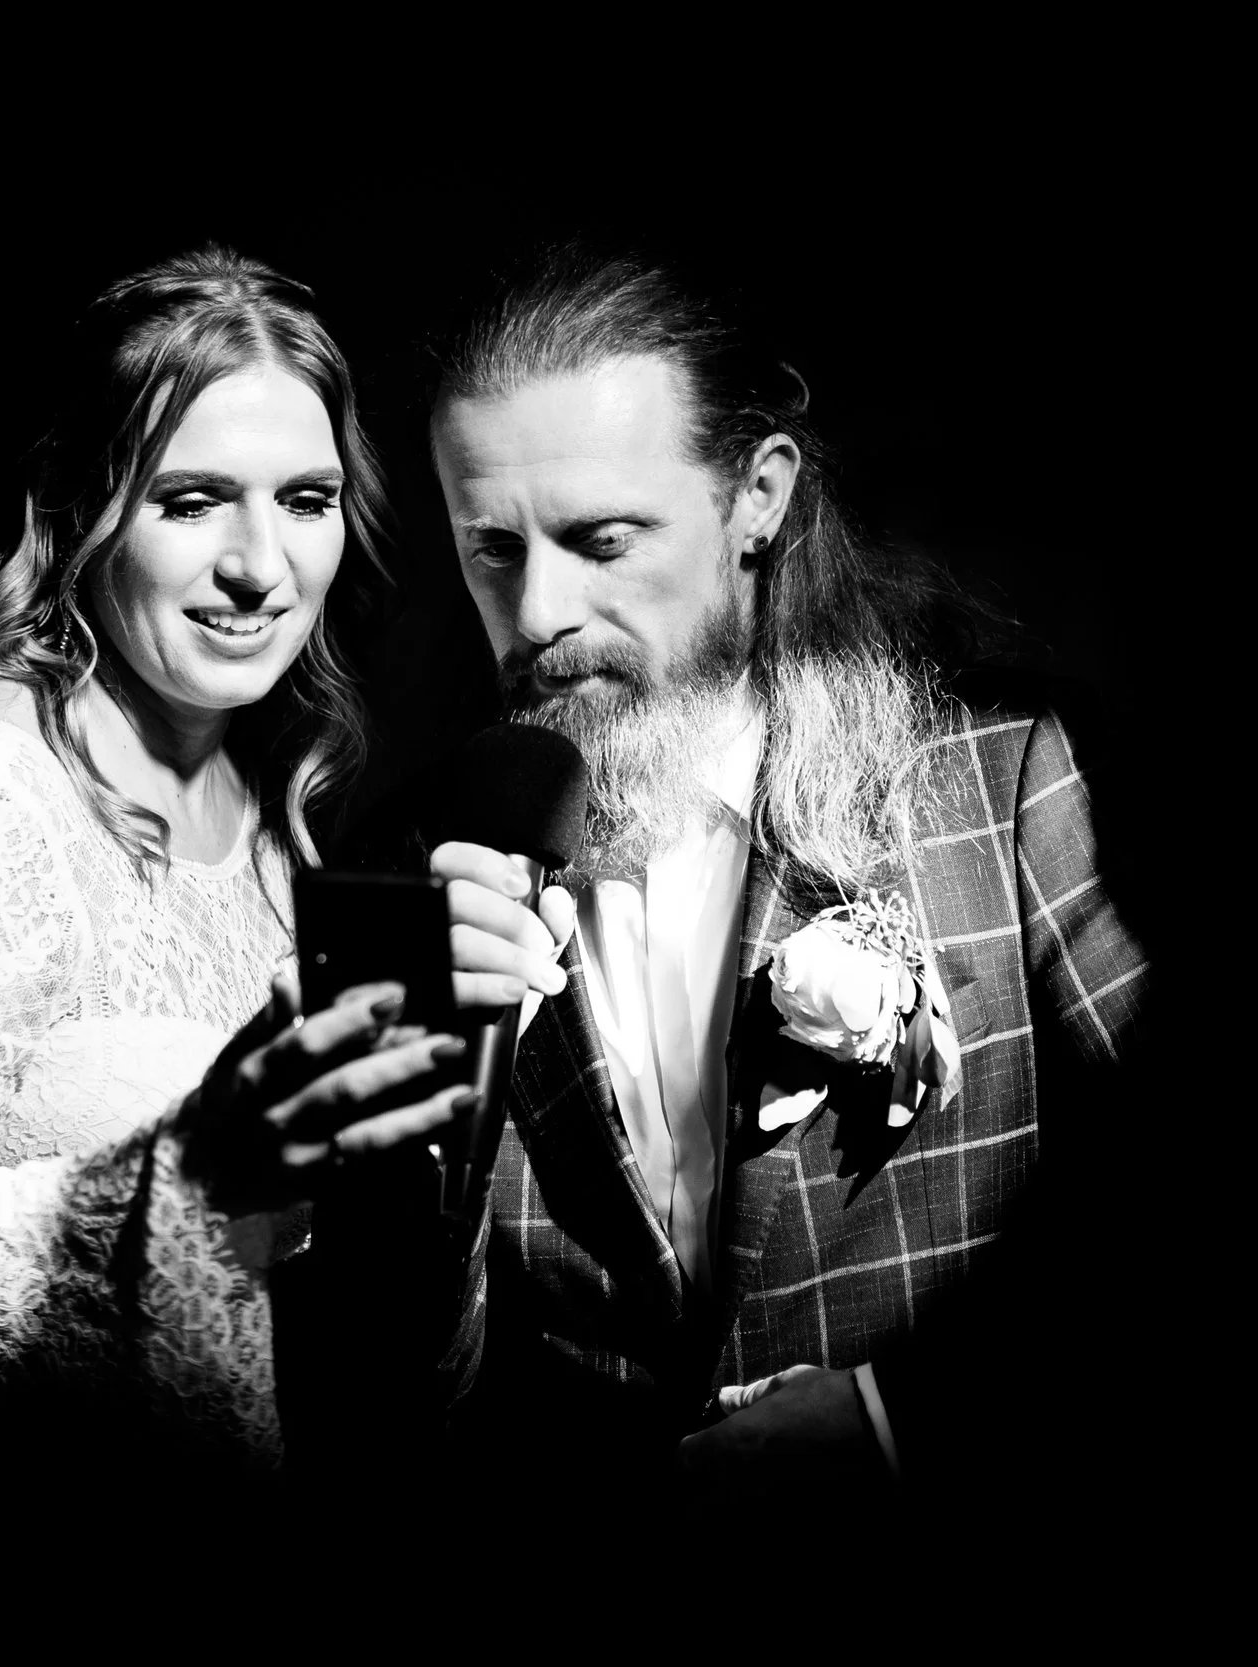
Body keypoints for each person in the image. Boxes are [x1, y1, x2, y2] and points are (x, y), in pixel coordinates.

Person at [397, 247, 1152, 1526]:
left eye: (600, 539)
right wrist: (428, 1109)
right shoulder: (421, 857)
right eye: (489, 548)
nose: (535, 611)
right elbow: (401, 1393)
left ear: (758, 496)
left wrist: (902, 1417)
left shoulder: (997, 775)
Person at [0, 248, 501, 1478]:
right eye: (190, 500)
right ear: (81, 507)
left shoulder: (278, 819)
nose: (259, 568)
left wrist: (429, 1162)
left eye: (304, 500)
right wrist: (187, 1175)